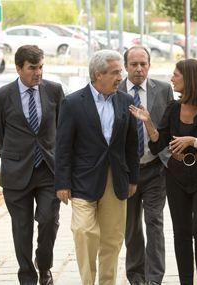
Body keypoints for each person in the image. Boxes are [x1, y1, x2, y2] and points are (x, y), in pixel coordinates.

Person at [130, 58, 197, 285]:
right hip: (176, 175)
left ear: (190, 79)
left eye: (176, 75)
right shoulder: (173, 107)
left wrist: (194, 141)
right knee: (181, 233)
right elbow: (158, 143)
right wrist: (148, 123)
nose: (172, 79)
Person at [55, 50, 139, 285]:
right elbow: (62, 146)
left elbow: (132, 144)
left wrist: (133, 177)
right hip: (83, 180)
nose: (120, 77)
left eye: (120, 72)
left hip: (117, 179)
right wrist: (62, 182)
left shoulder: (126, 101)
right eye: (115, 72)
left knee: (112, 240)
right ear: (98, 75)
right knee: (83, 232)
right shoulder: (72, 103)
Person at [0, 45, 64, 285]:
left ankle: (44, 266)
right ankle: (27, 276)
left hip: (48, 170)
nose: (38, 73)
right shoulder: (2, 96)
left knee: (48, 220)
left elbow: (62, 128)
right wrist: (19, 153)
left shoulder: (54, 91)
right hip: (16, 172)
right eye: (33, 68)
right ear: (19, 68)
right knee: (21, 229)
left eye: (41, 66)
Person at [118, 46, 174, 285]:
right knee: (131, 228)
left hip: (155, 168)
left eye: (143, 64)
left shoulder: (162, 90)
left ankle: (154, 278)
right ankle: (136, 276)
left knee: (154, 222)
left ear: (149, 65)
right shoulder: (116, 90)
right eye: (134, 64)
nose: (139, 69)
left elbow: (170, 127)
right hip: (127, 171)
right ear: (126, 66)